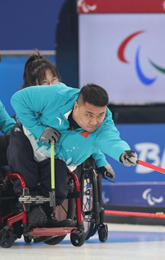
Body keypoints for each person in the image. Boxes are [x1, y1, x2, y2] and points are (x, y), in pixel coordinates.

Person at [7, 83, 137, 227]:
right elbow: (18, 99)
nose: (94, 121)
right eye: (89, 114)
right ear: (76, 106)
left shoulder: (104, 122)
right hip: (28, 137)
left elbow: (110, 139)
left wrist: (123, 153)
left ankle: (43, 215)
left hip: (54, 155)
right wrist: (39, 130)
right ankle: (27, 208)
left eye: (100, 115)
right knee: (25, 169)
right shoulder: (56, 95)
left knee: (58, 188)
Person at [20, 50, 116, 181]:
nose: (51, 86)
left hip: (63, 164)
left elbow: (87, 136)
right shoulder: (25, 116)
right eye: (45, 83)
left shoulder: (65, 104)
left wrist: (101, 161)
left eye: (54, 80)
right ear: (32, 87)